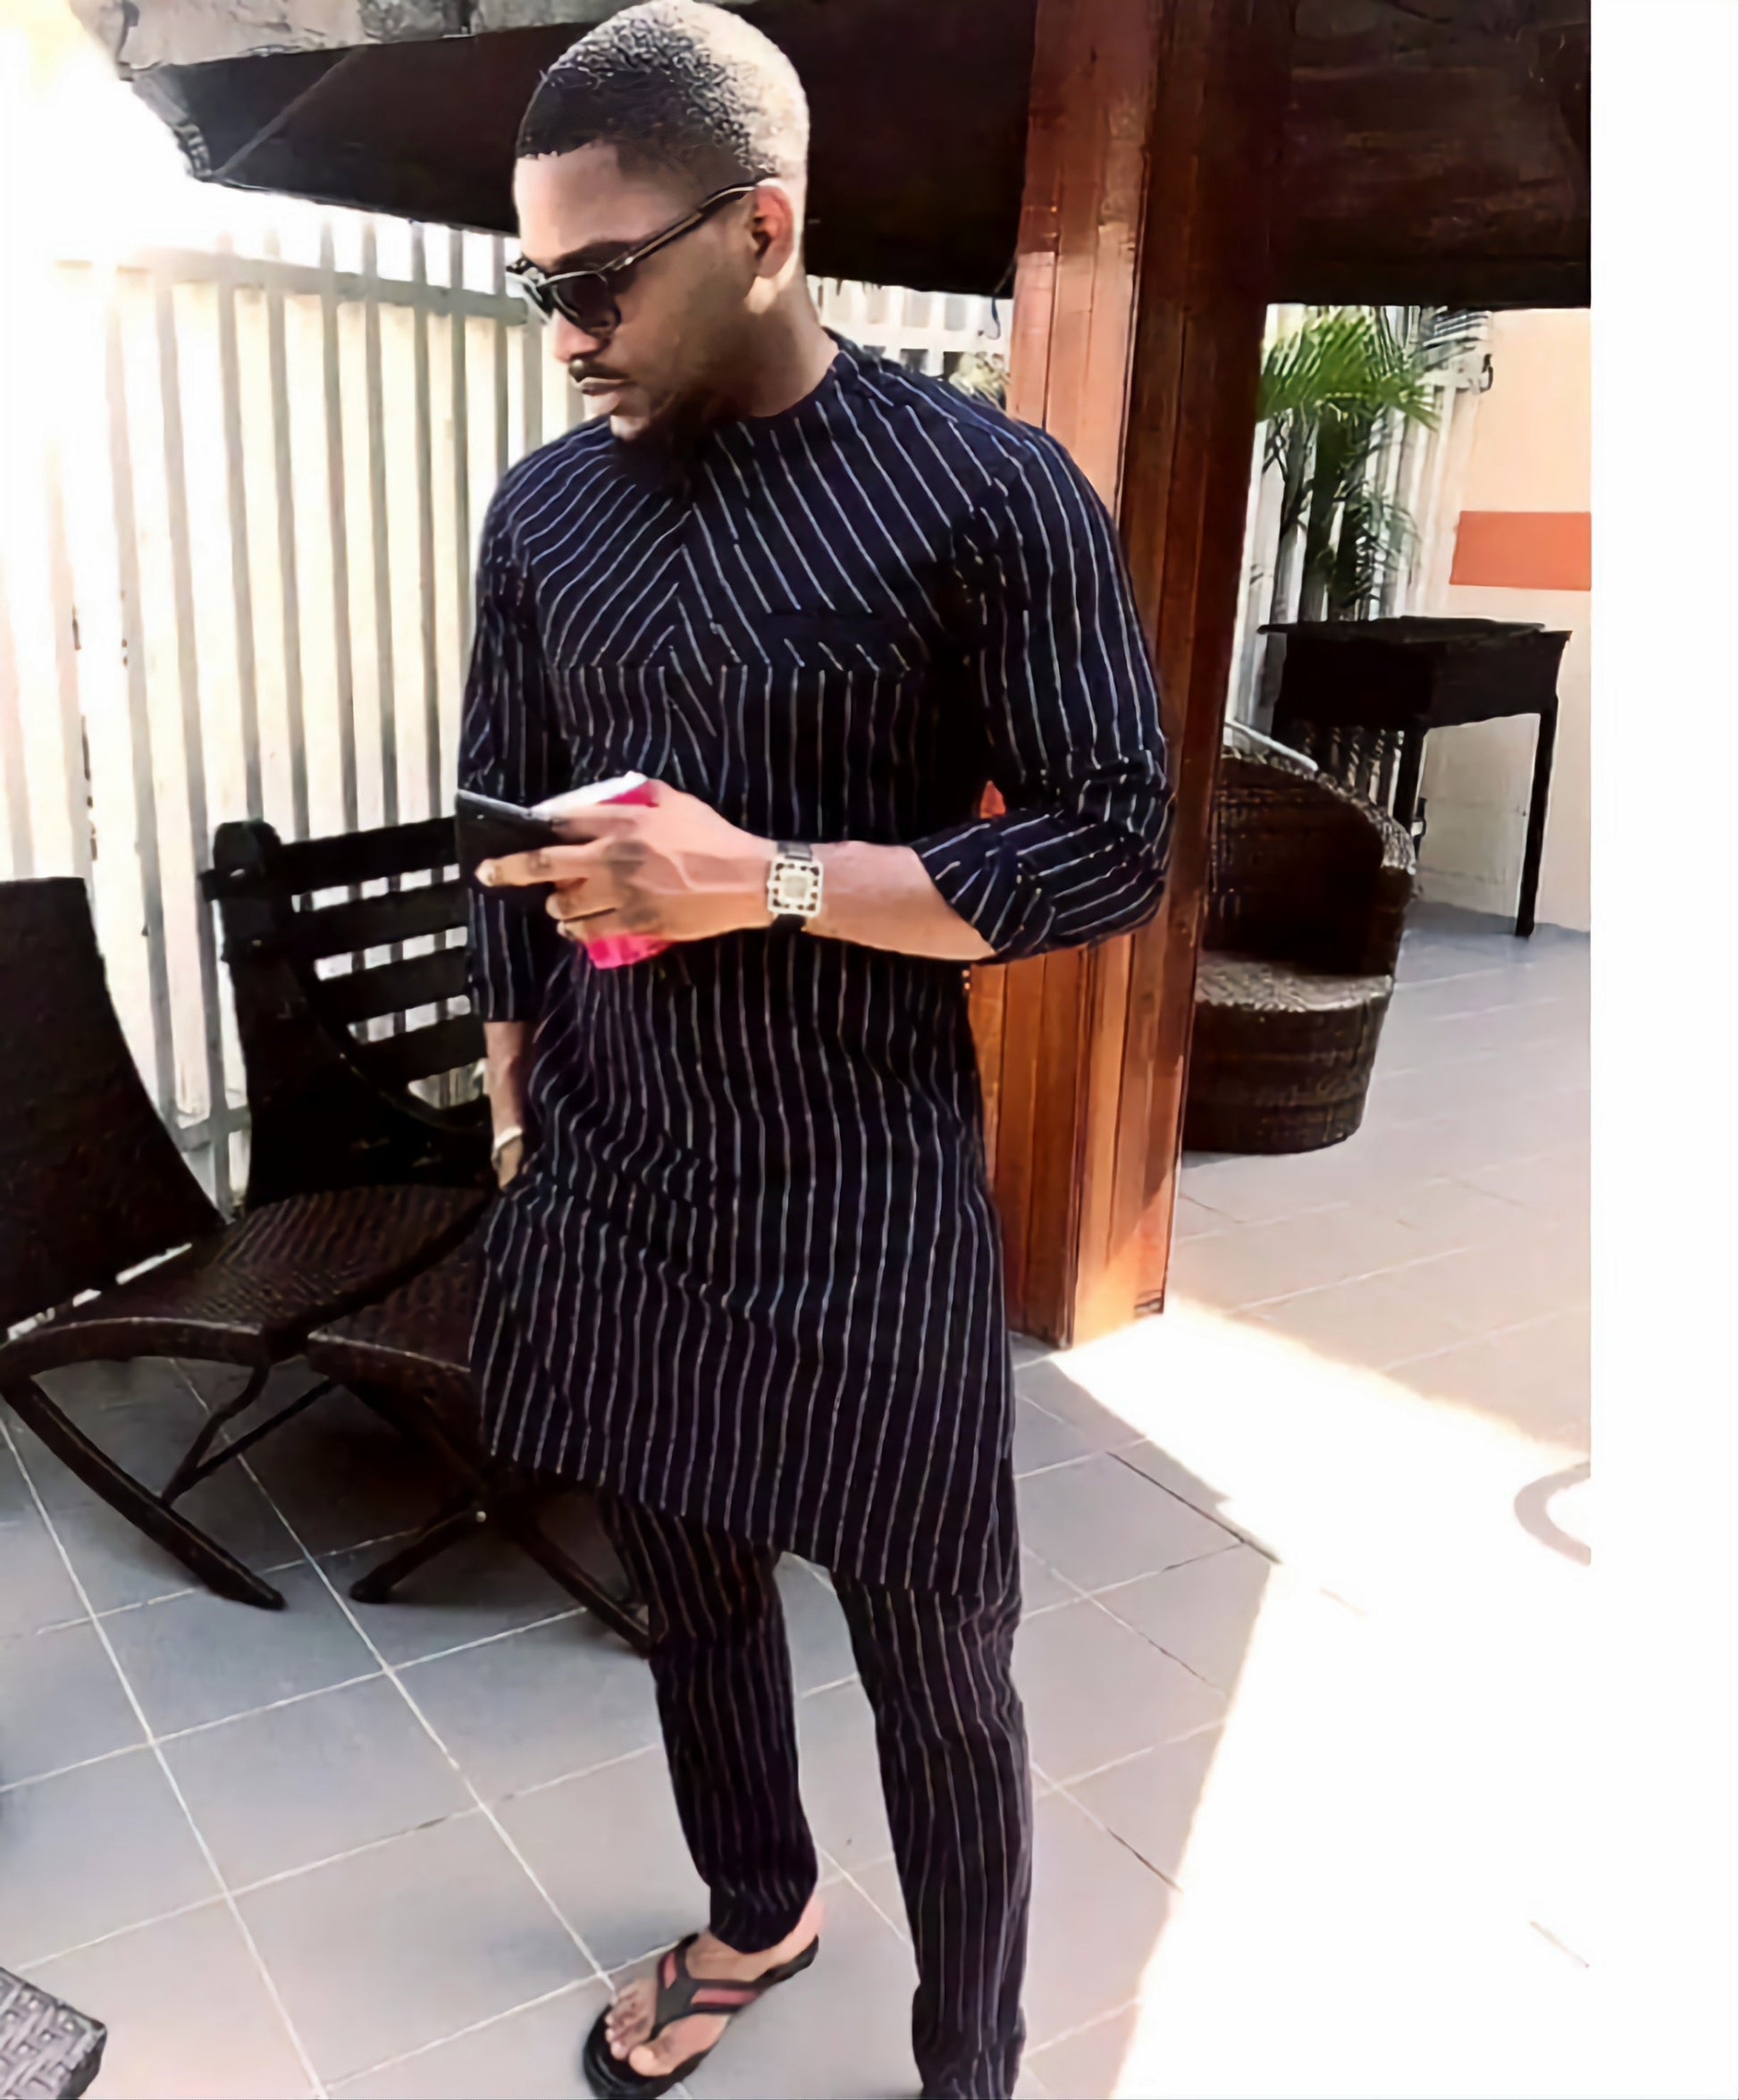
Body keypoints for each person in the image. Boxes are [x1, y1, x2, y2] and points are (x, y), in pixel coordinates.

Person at [461, 4, 1173, 2094]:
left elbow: (1110, 842)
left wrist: (765, 878)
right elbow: (500, 807)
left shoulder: (983, 490)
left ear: (761, 227)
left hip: (860, 1190)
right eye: (537, 283)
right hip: (615, 1162)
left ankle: (971, 2056)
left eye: (603, 279)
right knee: (687, 1596)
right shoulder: (543, 515)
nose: (567, 333)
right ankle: (757, 1900)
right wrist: (512, 1086)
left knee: (937, 1663)